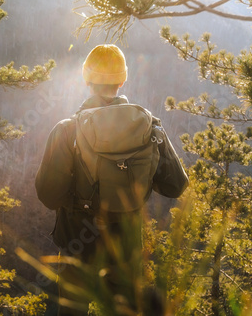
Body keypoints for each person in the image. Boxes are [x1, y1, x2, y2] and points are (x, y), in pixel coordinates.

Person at [35, 44, 189, 316]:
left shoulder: (67, 131)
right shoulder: (150, 129)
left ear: (86, 79)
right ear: (123, 79)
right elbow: (175, 185)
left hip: (77, 247)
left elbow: (49, 196)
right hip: (126, 251)